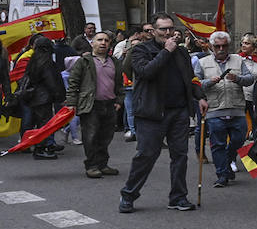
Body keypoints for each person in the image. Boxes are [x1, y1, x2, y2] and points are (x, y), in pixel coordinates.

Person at [118, 14, 208, 212]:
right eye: (162, 29)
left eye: (170, 28)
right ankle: (129, 194)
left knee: (180, 156)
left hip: (179, 111)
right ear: (153, 31)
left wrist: (199, 96)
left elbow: (190, 78)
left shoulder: (182, 52)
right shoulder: (140, 49)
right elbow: (146, 72)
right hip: (152, 112)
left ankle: (178, 197)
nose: (168, 33)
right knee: (146, 155)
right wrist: (166, 51)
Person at [193, 31, 256, 188]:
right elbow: (194, 84)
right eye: (217, 46)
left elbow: (250, 80)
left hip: (237, 108)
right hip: (215, 109)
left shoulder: (238, 60)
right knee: (218, 144)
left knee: (238, 140)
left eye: (224, 46)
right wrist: (208, 82)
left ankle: (227, 163)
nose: (221, 49)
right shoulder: (202, 62)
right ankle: (222, 174)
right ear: (212, 46)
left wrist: (238, 79)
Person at [64, 30, 123, 178]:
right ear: (92, 43)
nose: (103, 43)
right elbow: (73, 83)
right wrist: (71, 102)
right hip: (91, 105)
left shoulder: (114, 62)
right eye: (100, 40)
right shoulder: (84, 62)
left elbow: (119, 84)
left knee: (106, 136)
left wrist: (119, 100)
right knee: (90, 137)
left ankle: (103, 164)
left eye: (106, 40)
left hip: (109, 105)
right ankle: (91, 165)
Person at [19, 35, 66, 161]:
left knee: (39, 123)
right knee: (44, 124)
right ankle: (41, 149)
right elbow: (51, 81)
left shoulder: (33, 60)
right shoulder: (47, 62)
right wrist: (60, 96)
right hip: (44, 97)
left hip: (35, 97)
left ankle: (41, 146)